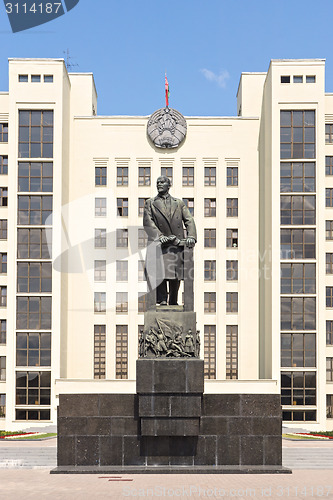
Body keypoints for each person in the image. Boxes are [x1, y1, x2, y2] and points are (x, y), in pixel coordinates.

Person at [143, 176, 197, 305]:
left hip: (176, 244)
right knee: (160, 273)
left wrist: (191, 236)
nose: (159, 184)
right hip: (159, 244)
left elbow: (189, 220)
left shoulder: (178, 203)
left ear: (169, 185)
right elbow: (147, 222)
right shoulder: (150, 203)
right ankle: (162, 299)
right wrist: (160, 236)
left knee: (175, 274)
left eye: (162, 182)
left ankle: (173, 300)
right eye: (158, 183)